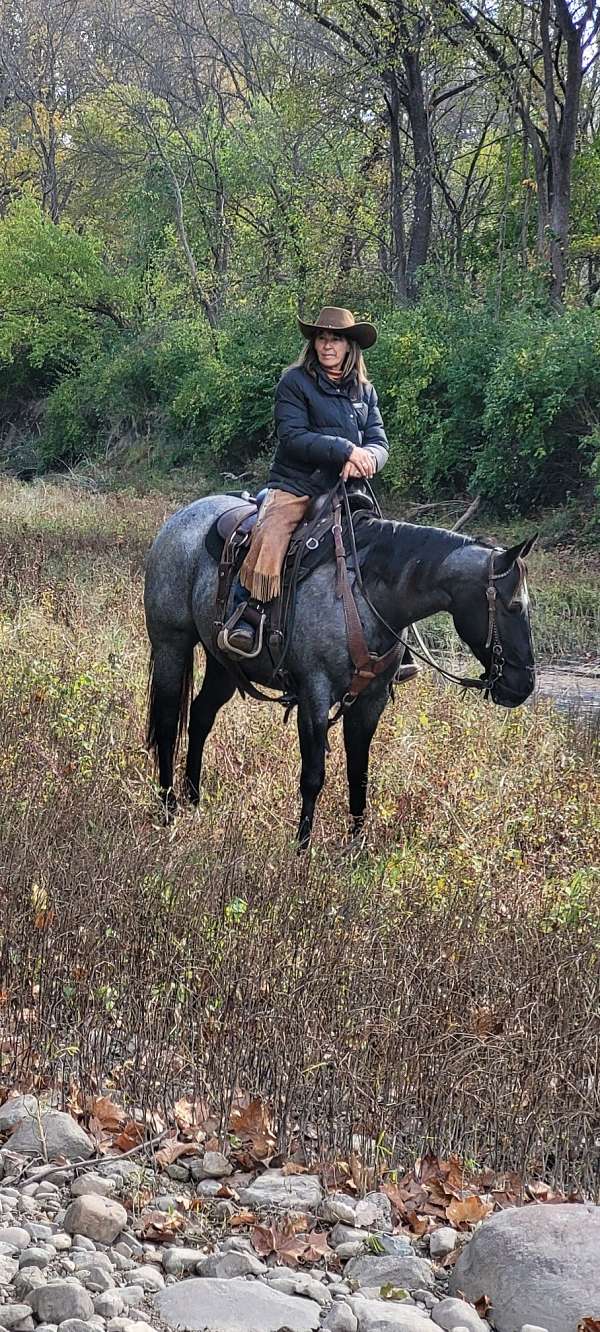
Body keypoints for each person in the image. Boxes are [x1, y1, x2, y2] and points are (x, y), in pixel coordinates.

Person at [223, 306, 416, 680]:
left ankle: (397, 642)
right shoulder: (294, 382)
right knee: (272, 532)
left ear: (349, 346)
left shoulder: (365, 391)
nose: (328, 345)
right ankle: (247, 613)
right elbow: (292, 437)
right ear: (314, 343)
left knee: (392, 548)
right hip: (297, 485)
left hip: (348, 490)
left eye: (336, 339)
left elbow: (379, 441)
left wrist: (369, 459)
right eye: (323, 338)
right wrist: (344, 450)